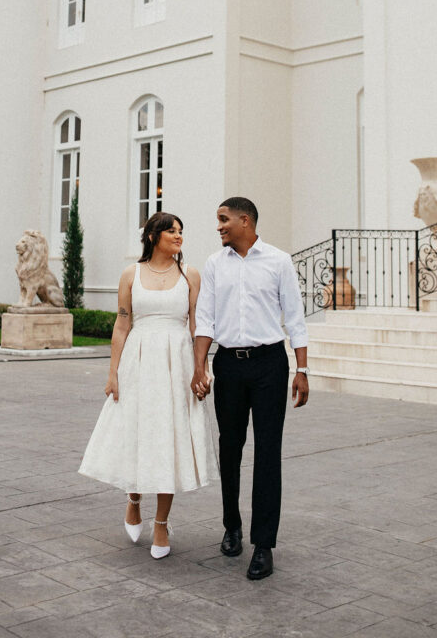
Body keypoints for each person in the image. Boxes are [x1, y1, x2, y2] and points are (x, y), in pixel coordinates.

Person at [79, 212, 219, 559]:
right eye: (172, 231)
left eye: (181, 231)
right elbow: (122, 325)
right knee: (138, 433)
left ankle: (161, 523)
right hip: (139, 362)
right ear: (154, 236)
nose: (179, 236)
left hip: (177, 363)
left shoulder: (191, 275)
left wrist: (202, 369)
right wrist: (112, 373)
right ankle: (134, 498)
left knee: (168, 439)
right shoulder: (131, 274)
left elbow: (196, 326)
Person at [191, 197, 309, 581]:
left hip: (270, 365)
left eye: (224, 220)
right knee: (230, 447)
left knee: (268, 452)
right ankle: (232, 526)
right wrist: (200, 367)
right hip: (229, 365)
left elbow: (295, 317)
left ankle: (263, 545)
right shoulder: (214, 264)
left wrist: (302, 369)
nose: (219, 226)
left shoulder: (278, 261)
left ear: (246, 221)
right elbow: (205, 318)